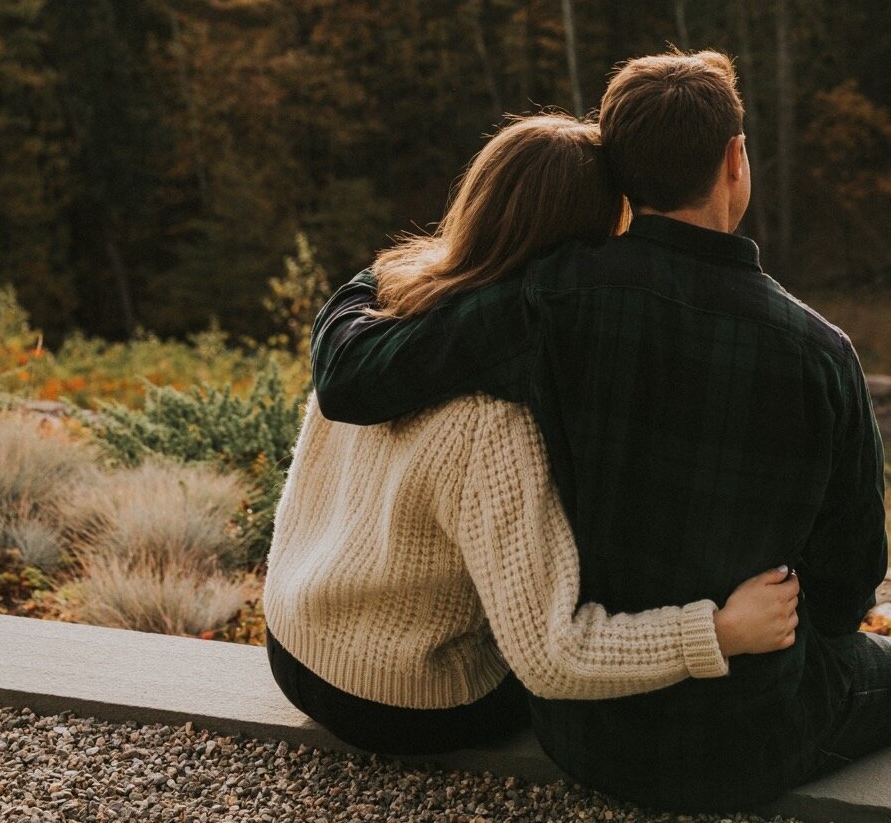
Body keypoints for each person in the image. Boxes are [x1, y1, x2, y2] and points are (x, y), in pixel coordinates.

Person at [311, 53, 891, 806]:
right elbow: (843, 595)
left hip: (581, 729)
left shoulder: (548, 300)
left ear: (621, 172)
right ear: (736, 160)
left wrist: (374, 275)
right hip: (752, 730)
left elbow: (361, 376)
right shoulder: (821, 354)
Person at [263, 113, 800, 758]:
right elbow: (553, 657)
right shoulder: (494, 418)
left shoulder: (384, 302)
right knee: (619, 699)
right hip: (398, 698)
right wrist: (719, 631)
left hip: (292, 640)